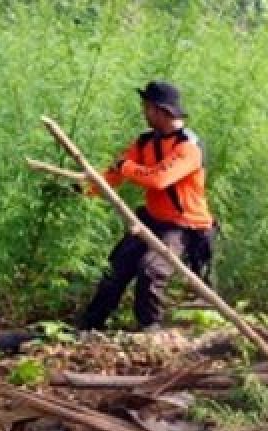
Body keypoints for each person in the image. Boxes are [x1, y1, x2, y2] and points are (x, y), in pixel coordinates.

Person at [77, 80, 216, 332]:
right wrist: (83, 190)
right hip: (152, 219)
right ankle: (89, 326)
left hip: (184, 225)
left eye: (146, 107)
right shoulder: (144, 142)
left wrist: (126, 168)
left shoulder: (189, 147)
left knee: (152, 270)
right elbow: (114, 174)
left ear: (161, 110)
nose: (143, 112)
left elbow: (159, 180)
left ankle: (150, 332)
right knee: (115, 268)